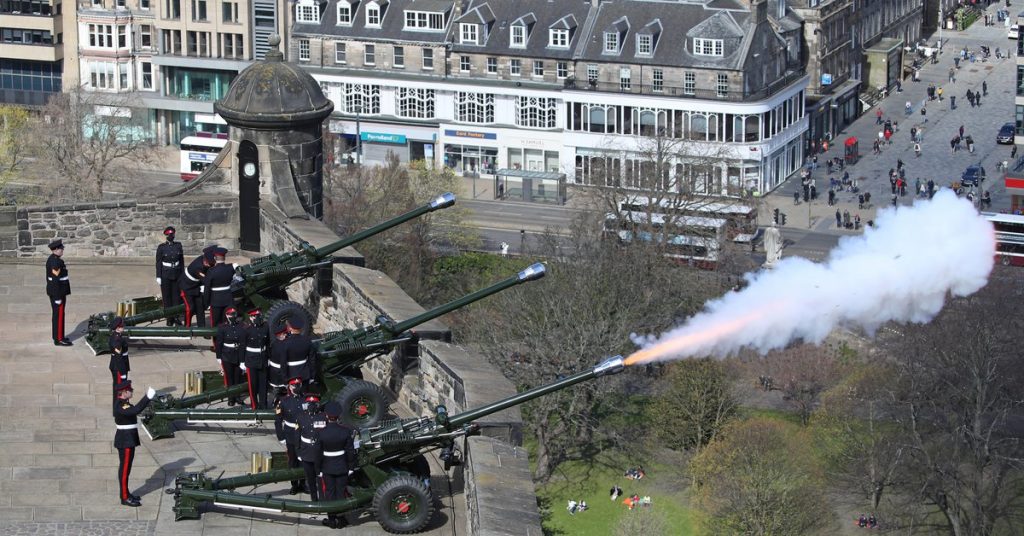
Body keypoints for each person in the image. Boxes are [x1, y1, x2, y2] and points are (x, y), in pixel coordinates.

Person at [113, 381, 156, 507]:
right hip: (125, 440)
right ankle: (125, 497)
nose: (132, 391)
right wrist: (148, 397)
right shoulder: (121, 406)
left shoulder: (123, 403)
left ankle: (126, 493)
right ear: (124, 393)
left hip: (128, 439)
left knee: (126, 469)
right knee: (125, 469)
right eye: (129, 390)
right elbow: (136, 410)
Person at [316, 400, 357, 528]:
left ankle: (332, 520)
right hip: (342, 466)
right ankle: (341, 519)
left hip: (327, 467)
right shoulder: (345, 431)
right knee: (341, 492)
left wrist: (319, 469)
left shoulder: (321, 433)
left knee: (330, 493)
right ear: (338, 416)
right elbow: (350, 451)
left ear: (327, 416)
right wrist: (351, 467)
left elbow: (318, 454)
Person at [276, 377, 306, 494]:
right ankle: (294, 484)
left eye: (298, 385)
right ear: (289, 386)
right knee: (293, 461)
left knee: (304, 460)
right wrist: (281, 437)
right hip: (291, 435)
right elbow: (278, 421)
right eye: (294, 385)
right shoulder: (283, 401)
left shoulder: (306, 399)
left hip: (304, 434)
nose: (296, 387)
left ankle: (303, 483)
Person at [296, 386, 326, 502]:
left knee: (321, 477)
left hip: (320, 452)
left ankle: (323, 499)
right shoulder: (301, 417)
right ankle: (314, 499)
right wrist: (298, 451)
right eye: (310, 403)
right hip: (306, 452)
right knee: (310, 479)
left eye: (314, 403)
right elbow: (297, 435)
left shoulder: (323, 417)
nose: (312, 406)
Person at [179, 245, 216, 327]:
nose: (210, 265)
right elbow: (207, 281)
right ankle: (187, 327)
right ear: (205, 261)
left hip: (196, 285)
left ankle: (202, 328)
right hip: (187, 287)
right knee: (190, 308)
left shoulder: (207, 261)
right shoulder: (198, 267)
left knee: (200, 307)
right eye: (209, 264)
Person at [215, 307, 245, 405]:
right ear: (227, 315)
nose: (233, 316)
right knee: (229, 378)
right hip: (227, 355)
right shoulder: (222, 327)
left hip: (238, 354)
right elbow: (219, 343)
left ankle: (237, 396)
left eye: (234, 314)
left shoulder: (241, 326)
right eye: (230, 314)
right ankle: (231, 398)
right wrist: (218, 356)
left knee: (238, 377)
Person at [155, 226, 184, 325]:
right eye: (169, 235)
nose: (171, 236)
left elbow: (181, 261)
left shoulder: (178, 246)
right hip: (165, 274)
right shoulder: (161, 247)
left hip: (176, 273)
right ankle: (169, 318)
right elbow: (158, 263)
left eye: (172, 234)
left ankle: (176, 317)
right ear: (166, 235)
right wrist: (158, 276)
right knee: (167, 297)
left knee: (176, 297)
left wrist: (182, 274)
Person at [46, 239, 73, 346]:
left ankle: (58, 336)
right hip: (58, 293)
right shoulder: (55, 262)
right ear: (56, 249)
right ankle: (59, 339)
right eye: (61, 249)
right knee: (59, 316)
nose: (62, 250)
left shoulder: (56, 259)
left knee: (59, 315)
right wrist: (57, 297)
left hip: (59, 292)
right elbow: (55, 280)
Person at [243, 309, 270, 409]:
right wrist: (242, 361)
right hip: (251, 359)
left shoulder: (265, 327)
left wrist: (269, 358)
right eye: (255, 316)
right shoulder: (247, 329)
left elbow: (268, 343)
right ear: (250, 317)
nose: (257, 318)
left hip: (263, 358)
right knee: (253, 385)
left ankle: (264, 405)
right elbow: (243, 346)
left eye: (258, 315)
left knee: (263, 384)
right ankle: (254, 405)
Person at [203, 247, 234, 327]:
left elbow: (207, 289)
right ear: (224, 257)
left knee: (216, 324)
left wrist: (206, 303)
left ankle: (217, 339)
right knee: (227, 322)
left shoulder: (211, 271)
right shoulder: (230, 268)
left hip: (215, 301)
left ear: (214, 258)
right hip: (228, 300)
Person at [284, 316, 317, 384]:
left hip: (290, 374)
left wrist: (284, 378)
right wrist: (312, 376)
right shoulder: (308, 341)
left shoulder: (285, 343)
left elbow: (283, 363)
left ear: (290, 328)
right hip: (304, 374)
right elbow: (312, 361)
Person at [108, 316, 130, 387]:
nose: (123, 327)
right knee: (120, 390)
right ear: (117, 328)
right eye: (122, 326)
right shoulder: (117, 340)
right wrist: (122, 372)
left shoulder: (118, 336)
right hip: (118, 368)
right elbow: (119, 357)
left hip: (118, 366)